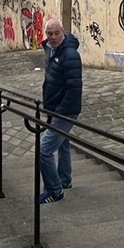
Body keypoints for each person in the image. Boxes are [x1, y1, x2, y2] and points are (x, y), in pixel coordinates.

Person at [38, 18, 82, 204]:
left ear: (63, 32)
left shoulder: (70, 54)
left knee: (44, 150)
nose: (53, 37)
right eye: (50, 34)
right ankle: (64, 180)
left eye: (57, 33)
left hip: (64, 111)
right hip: (54, 108)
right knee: (63, 144)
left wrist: (61, 112)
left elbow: (74, 88)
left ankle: (55, 191)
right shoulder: (50, 48)